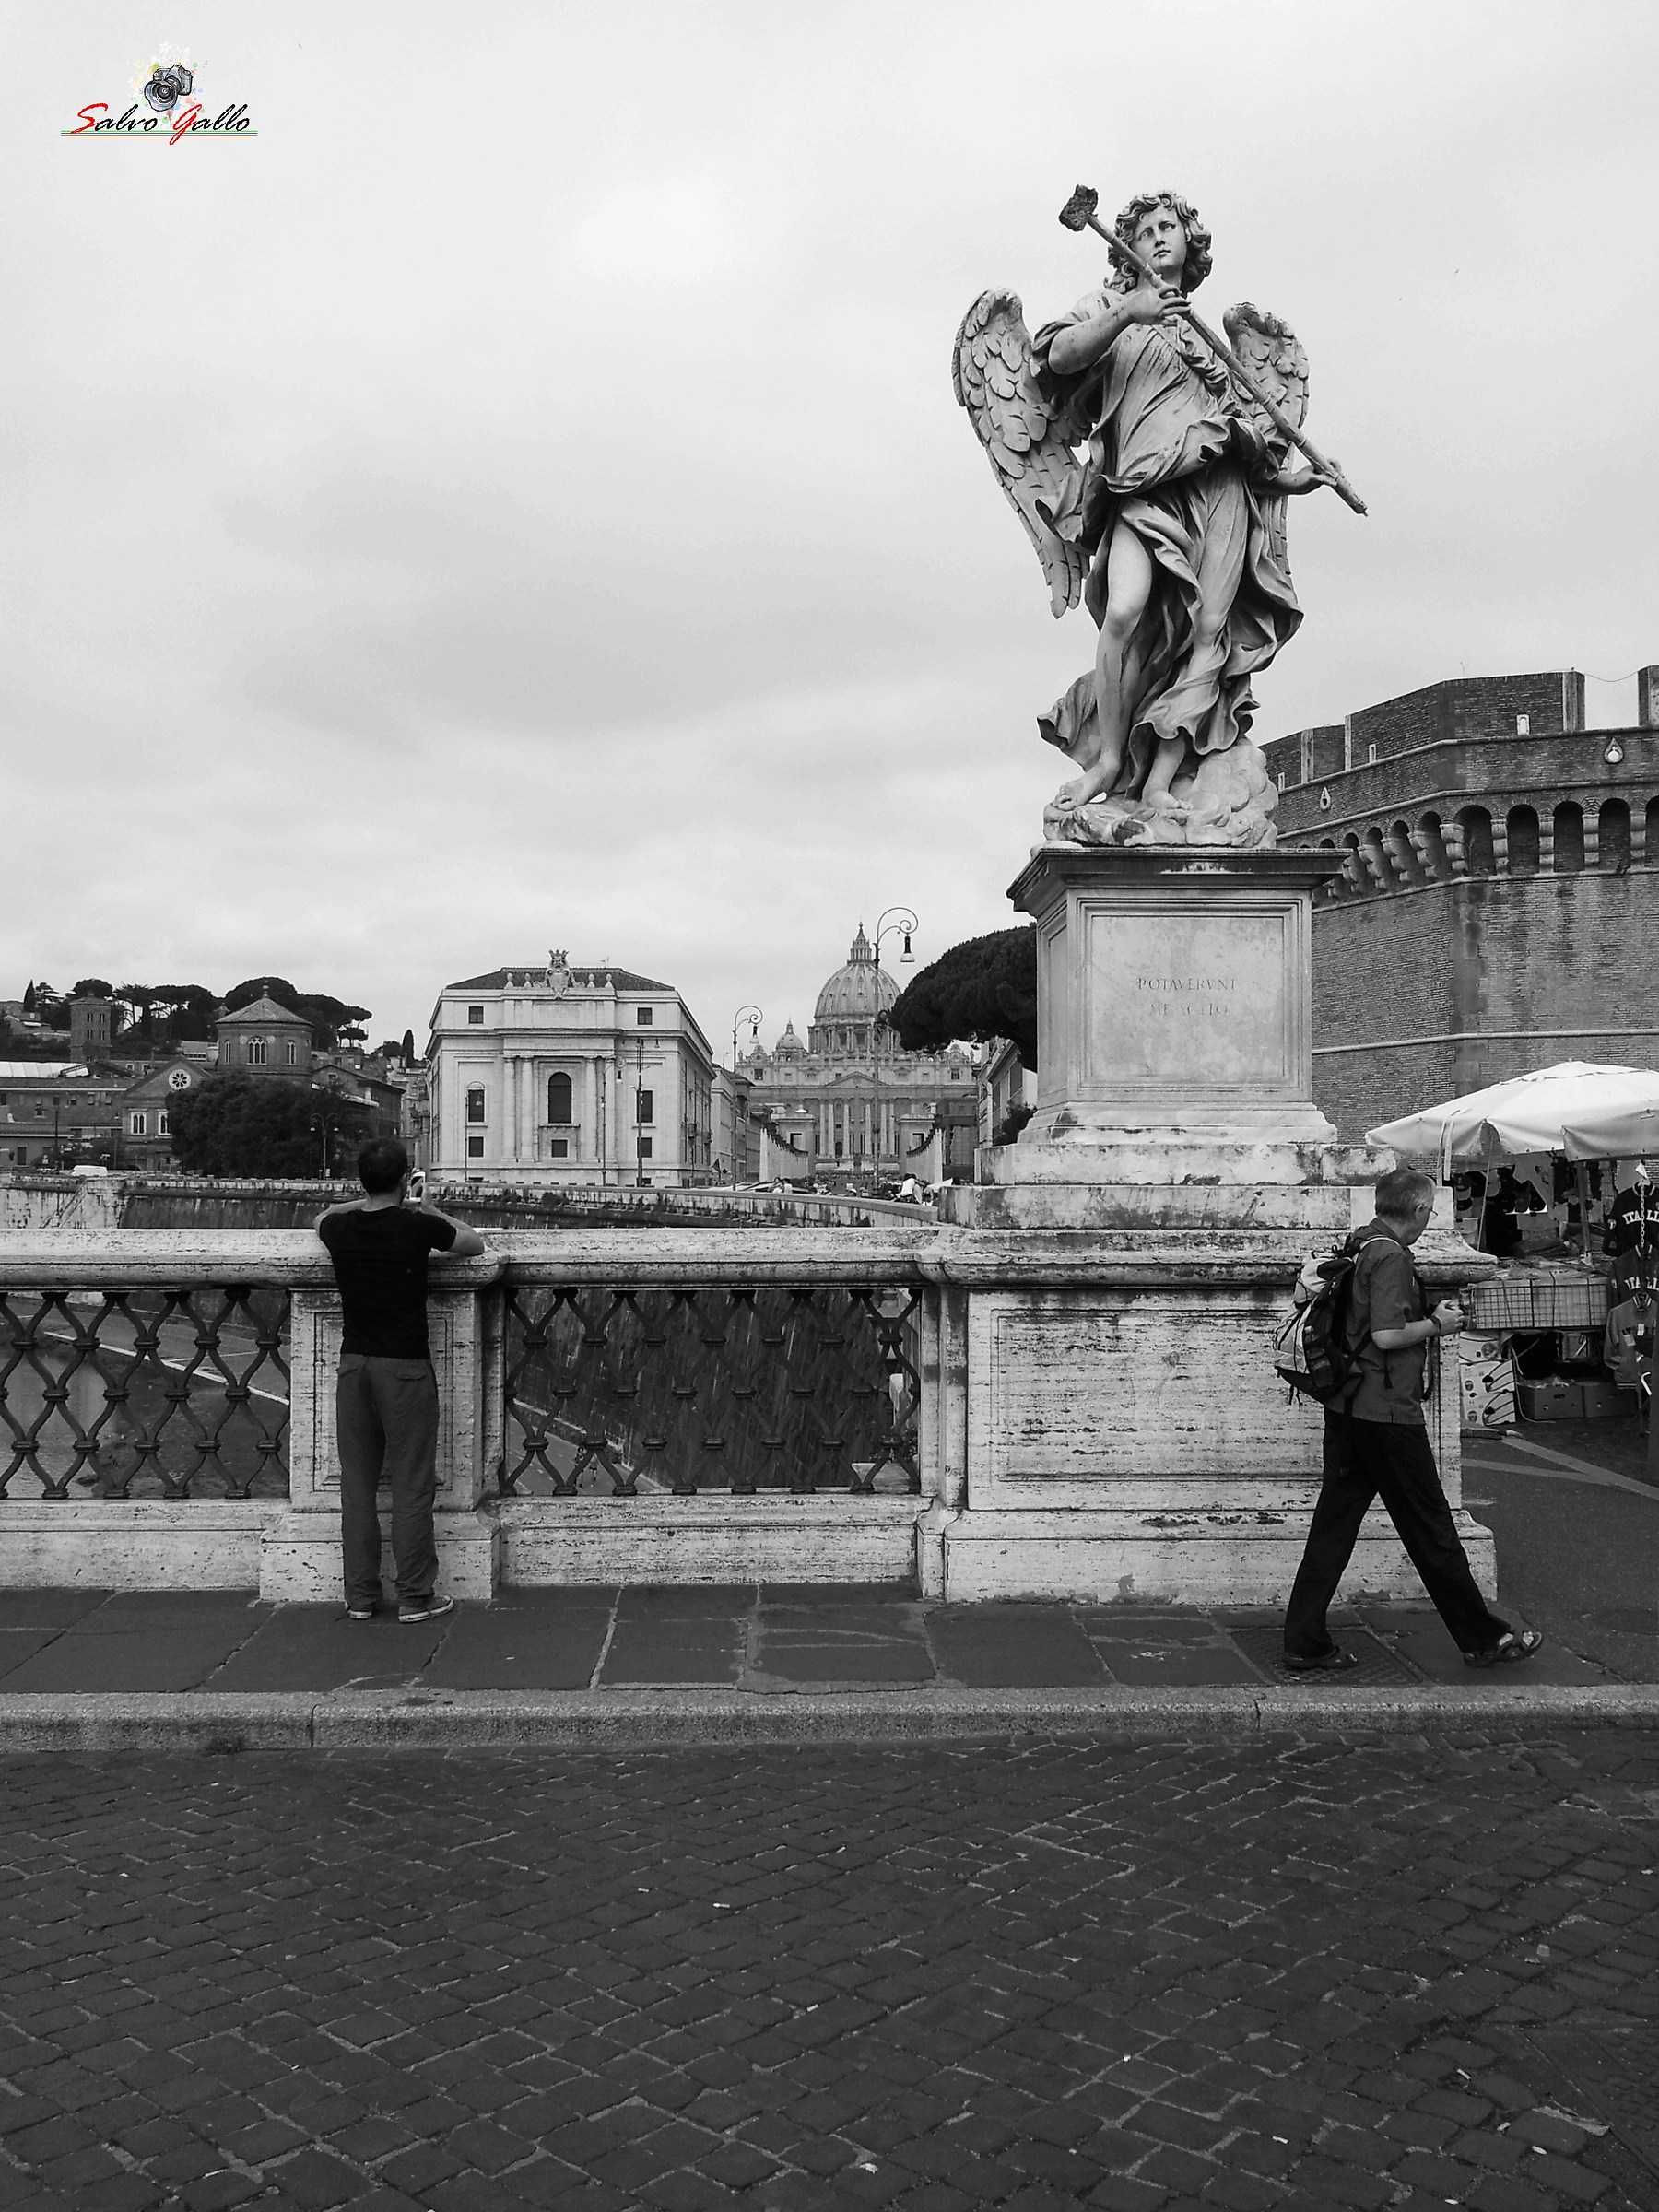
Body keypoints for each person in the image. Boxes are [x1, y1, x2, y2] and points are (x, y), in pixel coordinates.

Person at [1031, 191, 1333, 813]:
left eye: (1171, 227)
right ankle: (1111, 760)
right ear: (1130, 244)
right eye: (1148, 229)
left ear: (1189, 244)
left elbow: (1240, 436)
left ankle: (1164, 779)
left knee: (1207, 635)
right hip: (1140, 492)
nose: (1161, 236)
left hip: (1217, 493)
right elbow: (1058, 356)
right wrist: (1128, 314)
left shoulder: (1210, 340)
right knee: (1124, 613)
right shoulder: (1108, 306)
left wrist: (1287, 479)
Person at [1283, 1166, 1544, 1673]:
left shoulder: (1358, 1243)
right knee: (1433, 1530)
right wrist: (1437, 1325)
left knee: (1333, 1529)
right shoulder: (1391, 1258)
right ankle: (1483, 1639)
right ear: (1422, 1211)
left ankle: (1304, 1639)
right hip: (1385, 1414)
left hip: (1347, 1407)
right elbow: (1385, 1334)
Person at [315, 1139, 486, 1623]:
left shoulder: (339, 1226)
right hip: (405, 1367)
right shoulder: (417, 1225)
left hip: (354, 1366)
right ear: (404, 1177)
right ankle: (415, 1595)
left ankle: (360, 1599)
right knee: (411, 1485)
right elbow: (473, 1243)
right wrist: (423, 1203)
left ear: (360, 1180)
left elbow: (322, 1216)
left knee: (357, 1486)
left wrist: (366, 1196)